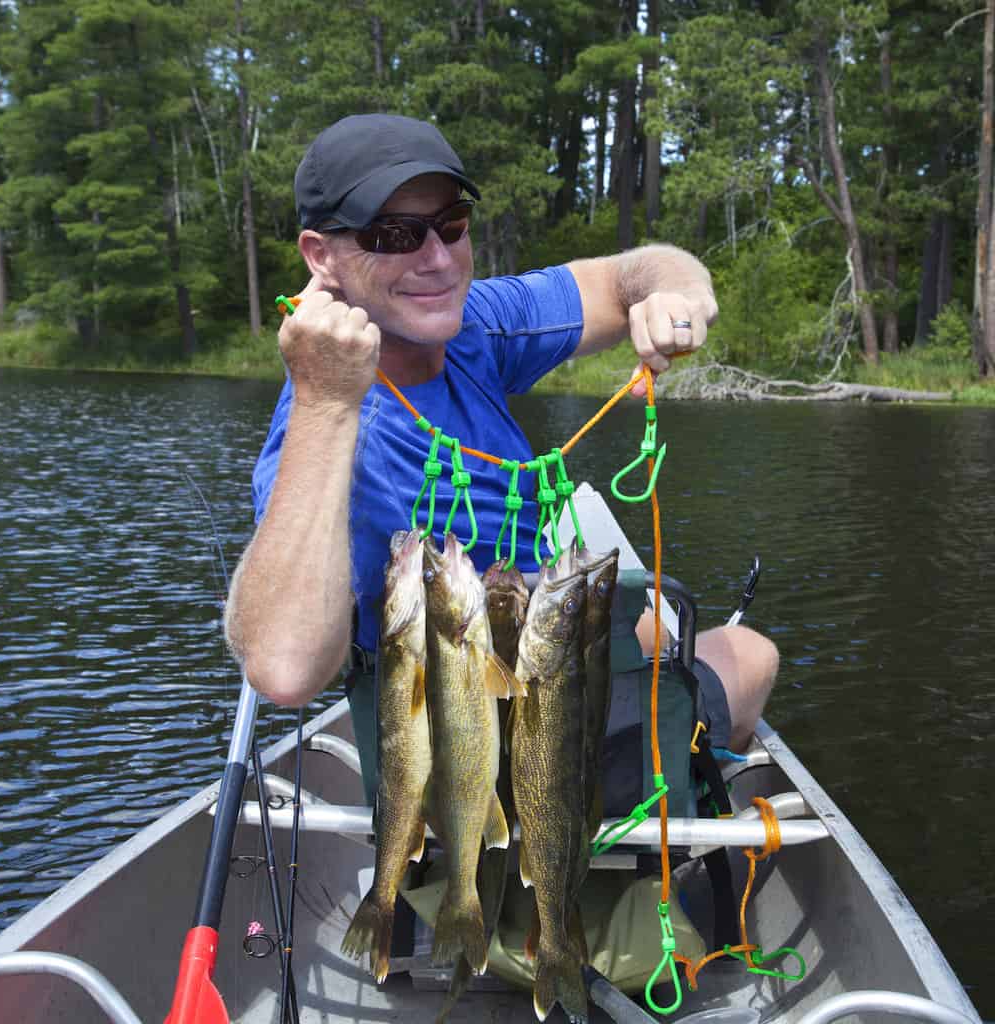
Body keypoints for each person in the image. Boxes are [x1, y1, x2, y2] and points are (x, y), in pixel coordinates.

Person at [224, 113, 777, 777]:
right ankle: (668, 810)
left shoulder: (469, 325)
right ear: (320, 256)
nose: (435, 258)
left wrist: (679, 294)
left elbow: (627, 274)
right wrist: (323, 401)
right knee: (750, 656)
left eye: (450, 223)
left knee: (652, 626)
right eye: (393, 234)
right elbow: (283, 672)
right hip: (478, 736)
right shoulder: (326, 417)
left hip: (538, 640)